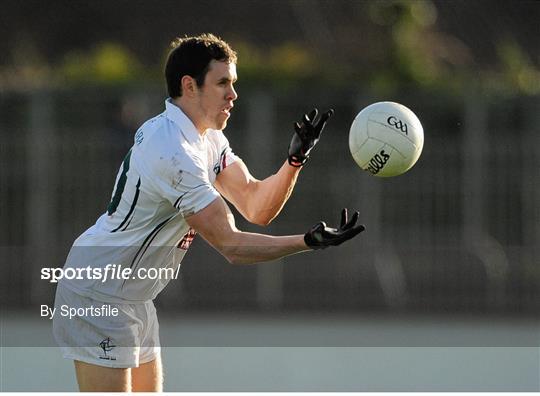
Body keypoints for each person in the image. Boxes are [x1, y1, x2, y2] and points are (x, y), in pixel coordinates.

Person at [52, 33, 365, 392]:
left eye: (233, 84)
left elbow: (255, 205)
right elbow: (232, 246)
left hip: (133, 297)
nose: (233, 95)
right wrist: (308, 242)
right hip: (98, 292)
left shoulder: (207, 138)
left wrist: (294, 161)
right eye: (223, 83)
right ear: (190, 86)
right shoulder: (173, 151)